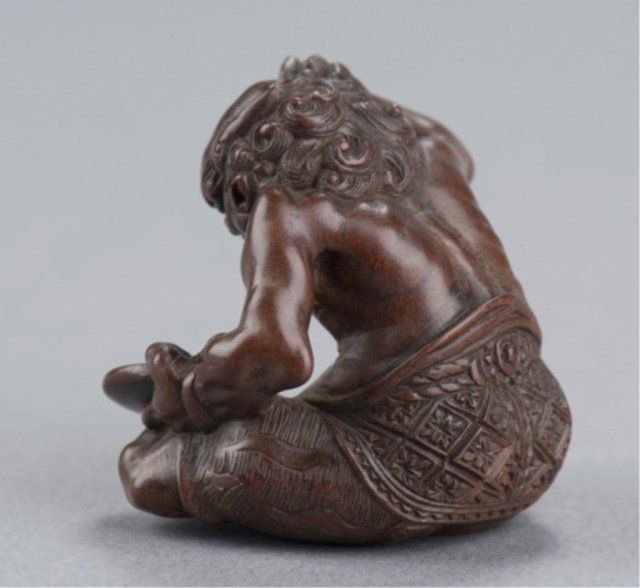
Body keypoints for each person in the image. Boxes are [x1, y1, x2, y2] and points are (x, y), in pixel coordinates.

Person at [104, 56, 570, 544]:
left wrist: (189, 389)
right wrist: (329, 96)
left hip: (413, 457)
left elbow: (277, 355)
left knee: (158, 469)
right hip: (541, 437)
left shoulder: (287, 204)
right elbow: (419, 128)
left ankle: (184, 428)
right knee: (256, 431)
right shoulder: (432, 152)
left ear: (241, 190)